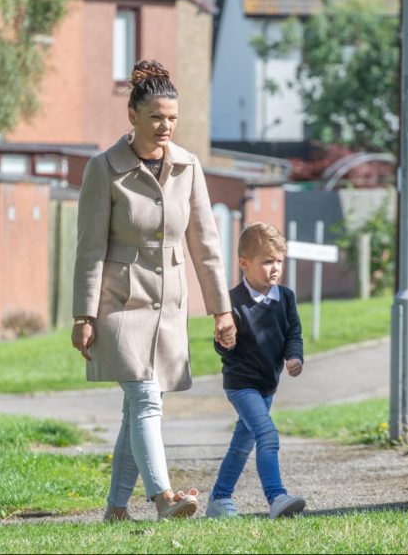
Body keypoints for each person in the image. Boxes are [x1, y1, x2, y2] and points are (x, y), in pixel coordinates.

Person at [71, 60, 236, 521]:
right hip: (119, 304)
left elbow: (205, 244)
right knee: (144, 396)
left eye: (172, 118)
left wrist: (221, 310)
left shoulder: (188, 167)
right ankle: (163, 498)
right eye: (156, 117)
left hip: (169, 306)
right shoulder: (104, 169)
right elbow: (88, 248)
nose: (166, 127)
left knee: (139, 405)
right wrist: (83, 316)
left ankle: (116, 509)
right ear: (133, 116)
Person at [206, 222, 306, 519]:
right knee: (267, 435)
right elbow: (224, 347)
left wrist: (294, 357)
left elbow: (293, 334)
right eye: (267, 262)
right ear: (244, 263)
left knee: (242, 444)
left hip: (266, 385)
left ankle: (219, 499)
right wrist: (225, 341)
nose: (274, 268)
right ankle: (276, 497)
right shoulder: (232, 302)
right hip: (241, 384)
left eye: (279, 261)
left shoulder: (285, 298)